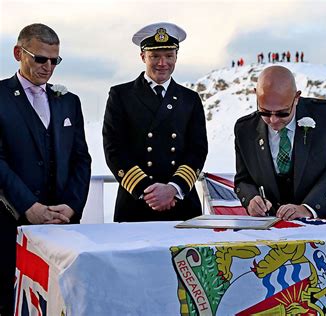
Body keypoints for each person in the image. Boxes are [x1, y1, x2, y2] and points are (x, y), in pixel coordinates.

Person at [0, 23, 91, 314]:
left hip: (61, 229)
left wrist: (72, 206)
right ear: (18, 53)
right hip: (10, 225)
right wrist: (28, 205)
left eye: (55, 60)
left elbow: (81, 159)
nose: (48, 67)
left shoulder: (69, 102)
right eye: (40, 59)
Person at [103, 22, 208, 223]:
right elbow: (114, 149)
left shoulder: (190, 99)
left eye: (169, 56)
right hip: (136, 203)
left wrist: (173, 189)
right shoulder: (121, 95)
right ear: (143, 56)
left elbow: (198, 149)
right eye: (155, 56)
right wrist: (147, 192)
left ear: (176, 56)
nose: (162, 63)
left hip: (181, 202)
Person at [234, 65, 326, 221]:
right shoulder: (244, 129)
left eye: (282, 113)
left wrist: (308, 208)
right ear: (256, 96)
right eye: (264, 112)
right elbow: (243, 179)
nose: (273, 120)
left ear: (296, 98)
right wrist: (251, 199)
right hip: (274, 226)